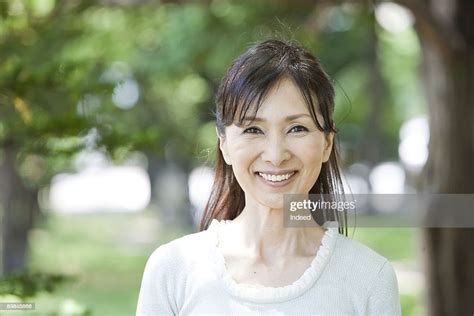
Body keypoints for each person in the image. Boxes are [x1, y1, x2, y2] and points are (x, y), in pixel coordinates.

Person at [136, 39, 401, 315]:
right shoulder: (173, 270)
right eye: (253, 129)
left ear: (326, 144)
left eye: (297, 128)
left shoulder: (369, 279)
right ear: (224, 144)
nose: (275, 156)